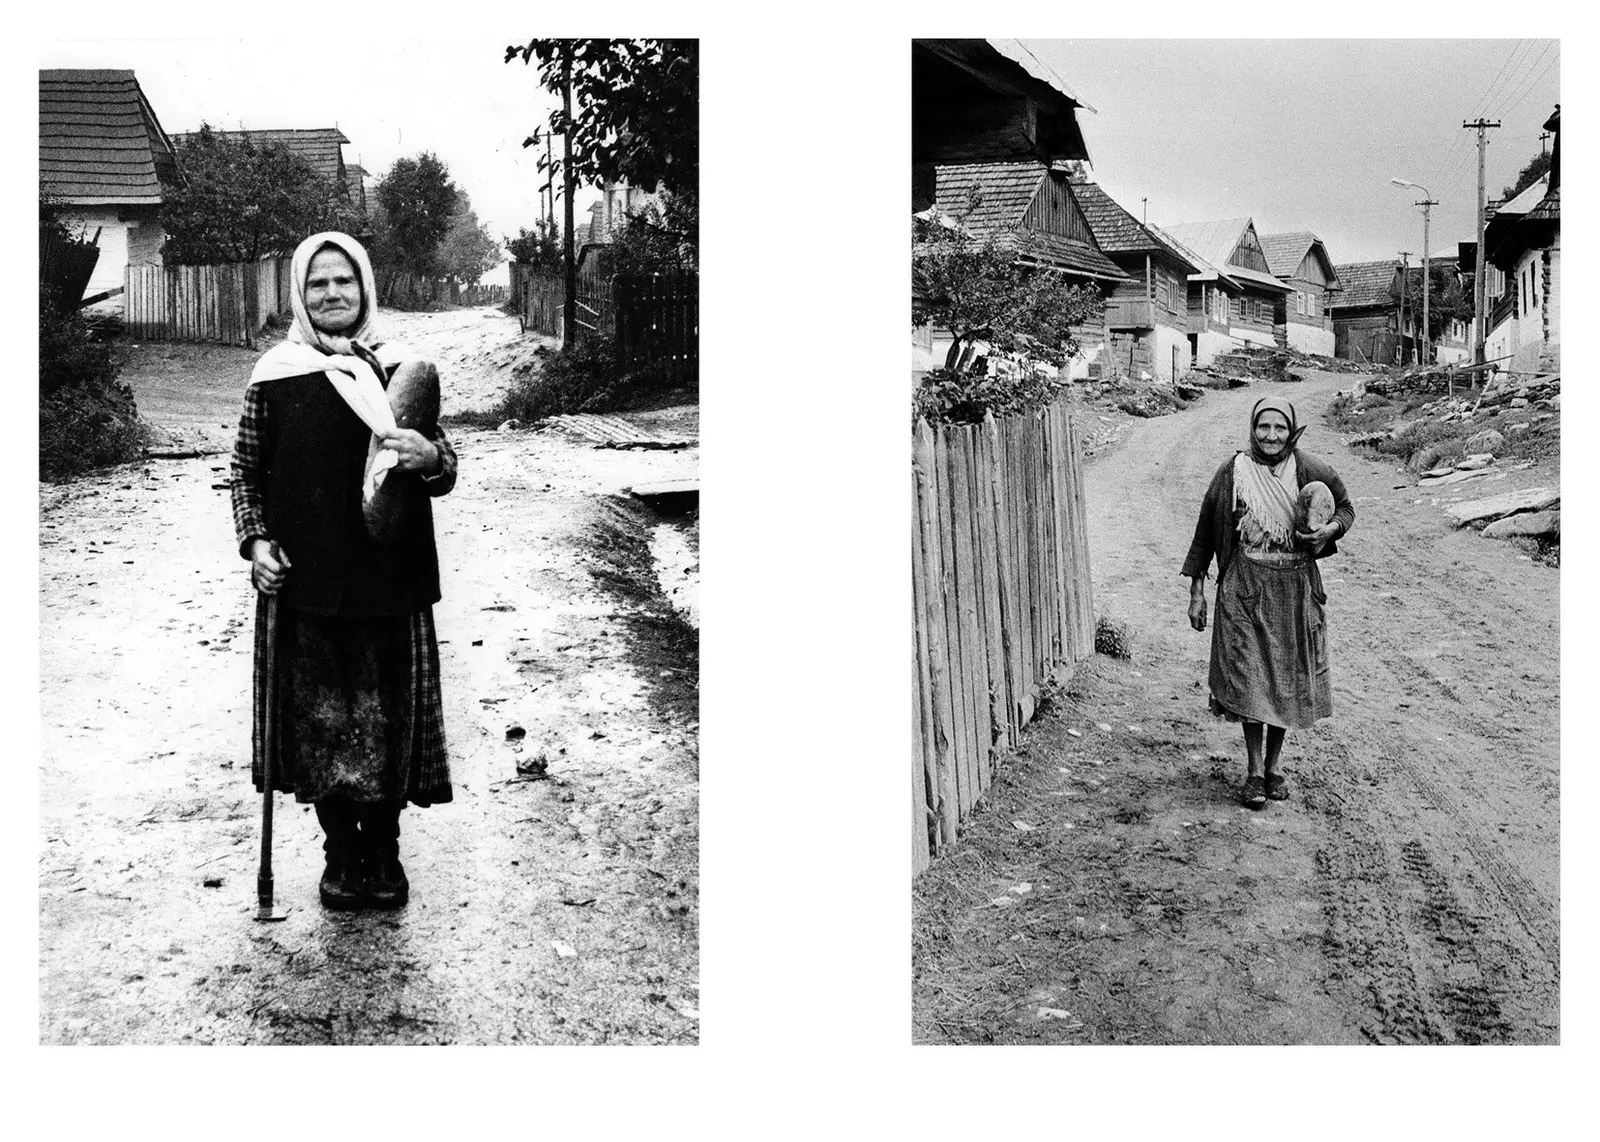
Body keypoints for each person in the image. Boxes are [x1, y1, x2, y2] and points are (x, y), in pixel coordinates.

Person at [230, 231, 456, 910]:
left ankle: (382, 849)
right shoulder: (275, 374)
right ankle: (340, 851)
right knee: (324, 725)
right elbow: (243, 472)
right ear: (301, 294)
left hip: (391, 577)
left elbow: (441, 463)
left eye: (344, 281)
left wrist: (430, 458)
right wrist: (257, 542)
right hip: (309, 581)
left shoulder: (400, 370)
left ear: (365, 289)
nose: (332, 294)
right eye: (318, 284)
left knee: (387, 722)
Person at [1181, 396, 1354, 808]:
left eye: (1279, 428)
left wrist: (1329, 530)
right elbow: (1206, 532)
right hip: (1244, 587)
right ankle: (1255, 771)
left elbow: (1345, 508)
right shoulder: (1234, 472)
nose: (1271, 436)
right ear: (1252, 429)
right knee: (1251, 678)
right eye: (1263, 427)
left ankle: (1275, 767)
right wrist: (1197, 591)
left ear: (1291, 429)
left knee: (1287, 678)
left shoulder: (1310, 469)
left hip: (1294, 587)